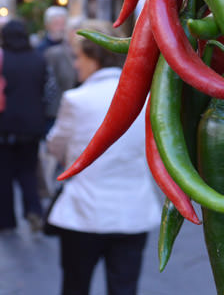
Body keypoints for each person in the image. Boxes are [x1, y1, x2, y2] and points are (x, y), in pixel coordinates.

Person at [45, 21, 161, 295]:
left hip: (84, 213)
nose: (75, 65)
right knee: (124, 288)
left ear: (93, 57)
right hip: (133, 212)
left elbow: (55, 147)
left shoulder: (76, 100)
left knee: (75, 285)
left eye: (78, 57)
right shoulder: (147, 99)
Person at [0, 18, 48, 232]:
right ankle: (34, 210)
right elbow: (51, 92)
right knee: (28, 171)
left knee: (2, 176)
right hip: (31, 127)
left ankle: (5, 220)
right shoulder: (39, 59)